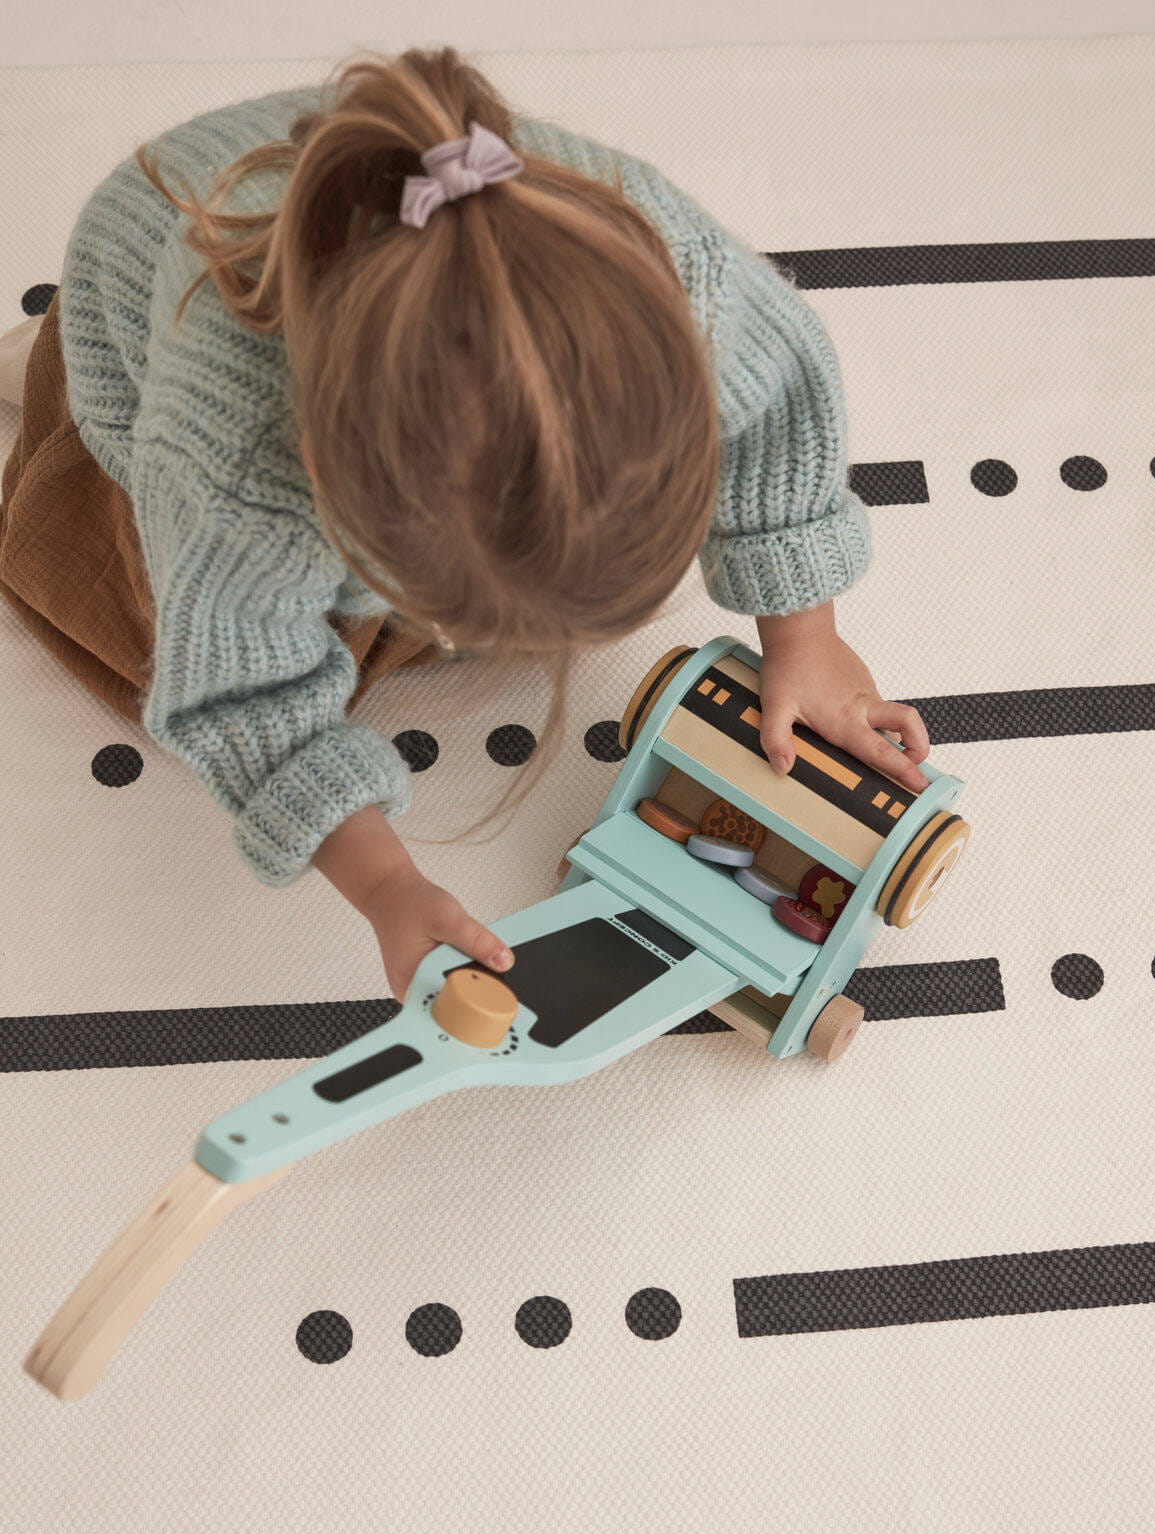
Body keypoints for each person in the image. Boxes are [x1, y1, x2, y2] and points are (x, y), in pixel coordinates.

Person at [0, 44, 929, 1004]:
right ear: (326, 484)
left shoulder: (676, 278)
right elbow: (238, 693)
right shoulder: (238, 462)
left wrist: (805, 636)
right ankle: (46, 369)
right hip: (148, 295)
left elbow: (779, 397)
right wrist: (385, 885)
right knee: (132, 623)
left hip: (378, 234)